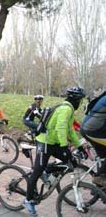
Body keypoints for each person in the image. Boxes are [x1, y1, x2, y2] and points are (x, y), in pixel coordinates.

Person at [23, 87, 88, 216]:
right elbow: (61, 128)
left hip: (53, 142)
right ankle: (28, 200)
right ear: (76, 99)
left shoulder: (68, 109)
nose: (80, 103)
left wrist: (79, 146)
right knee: (36, 172)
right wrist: (64, 147)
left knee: (68, 161)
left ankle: (47, 170)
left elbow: (70, 131)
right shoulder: (66, 109)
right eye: (80, 100)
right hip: (45, 142)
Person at [81, 91, 106, 187]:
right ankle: (98, 178)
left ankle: (98, 190)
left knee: (103, 157)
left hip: (92, 129)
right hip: (93, 130)